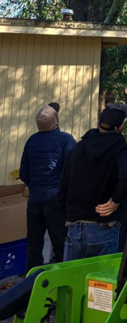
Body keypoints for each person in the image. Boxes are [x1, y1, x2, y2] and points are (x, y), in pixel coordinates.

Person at [58, 103, 127, 261]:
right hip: (103, 228)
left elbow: (63, 186)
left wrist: (67, 214)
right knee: (101, 283)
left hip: (74, 227)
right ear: (120, 127)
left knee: (71, 282)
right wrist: (115, 200)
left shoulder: (77, 148)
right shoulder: (120, 149)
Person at [20, 103, 76, 273]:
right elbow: (71, 169)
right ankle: (60, 285)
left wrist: (36, 185)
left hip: (34, 201)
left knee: (34, 248)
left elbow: (24, 172)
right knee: (60, 247)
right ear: (56, 120)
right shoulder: (65, 139)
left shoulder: (31, 140)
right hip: (55, 200)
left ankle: (29, 288)